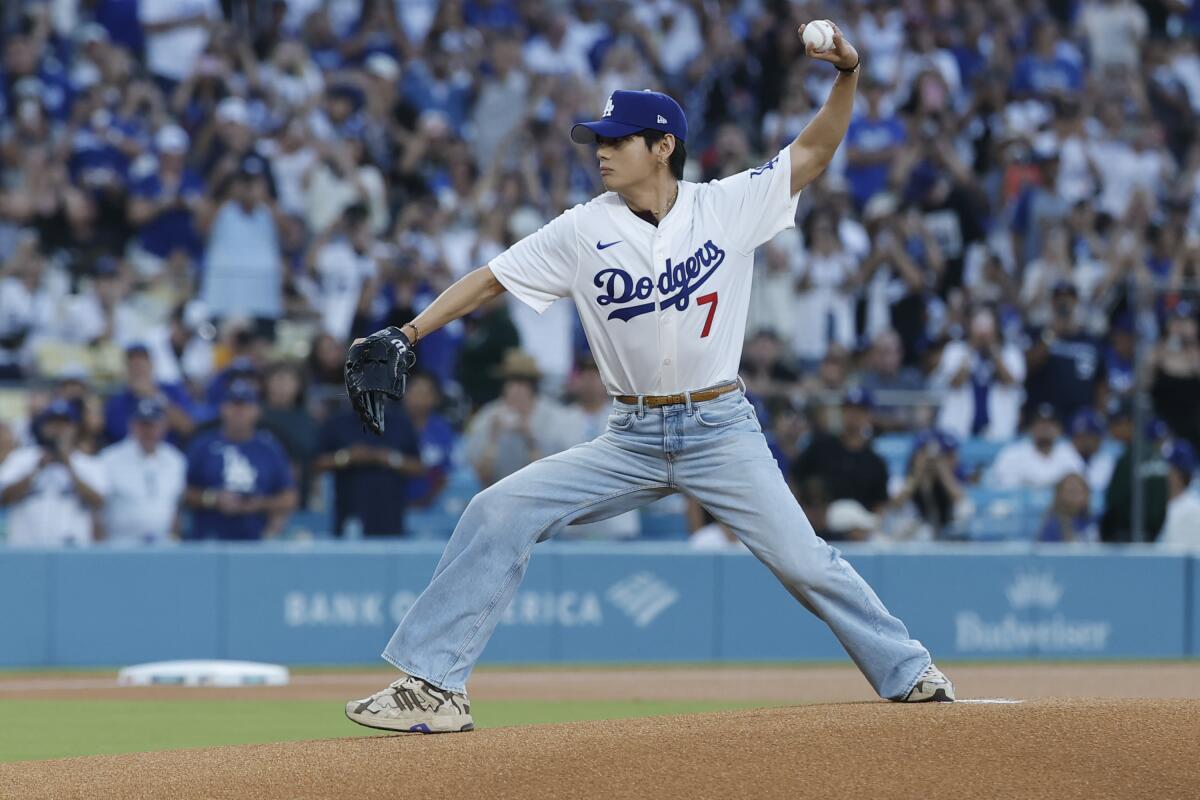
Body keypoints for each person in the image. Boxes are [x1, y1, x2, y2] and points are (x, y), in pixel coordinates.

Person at [345, 28, 953, 739]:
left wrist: (848, 71)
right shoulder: (581, 229)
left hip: (721, 428)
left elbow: (815, 149)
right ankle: (435, 687)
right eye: (599, 138)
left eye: (618, 138)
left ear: (662, 146)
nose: (601, 148)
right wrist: (408, 334)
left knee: (806, 564)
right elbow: (490, 280)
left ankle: (909, 671)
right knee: (497, 510)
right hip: (629, 436)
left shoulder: (727, 206)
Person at [183, 379, 297, 540]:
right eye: (234, 405)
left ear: (256, 411)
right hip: (209, 539)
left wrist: (258, 504)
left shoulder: (269, 447)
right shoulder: (203, 446)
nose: (239, 412)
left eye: (244, 406)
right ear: (223, 408)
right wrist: (212, 499)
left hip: (255, 541)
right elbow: (181, 491)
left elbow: (289, 498)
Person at [462, 349, 584, 487]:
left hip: (542, 499)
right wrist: (493, 439)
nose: (515, 389)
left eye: (522, 383)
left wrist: (530, 439)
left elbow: (556, 478)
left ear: (532, 386)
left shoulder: (555, 417)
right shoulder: (488, 416)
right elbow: (481, 477)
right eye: (511, 382)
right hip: (499, 496)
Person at [0, 399, 108, 547]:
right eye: (53, 423)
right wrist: (37, 468)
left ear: (74, 428)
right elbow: (4, 498)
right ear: (44, 427)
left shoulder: (88, 463)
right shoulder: (21, 458)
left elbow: (98, 502)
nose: (58, 429)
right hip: (26, 549)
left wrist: (68, 466)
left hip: (72, 549)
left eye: (64, 424)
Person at [315, 396, 424, 538]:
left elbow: (419, 467)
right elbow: (317, 463)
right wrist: (347, 457)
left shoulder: (402, 423)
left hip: (390, 515)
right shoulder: (336, 423)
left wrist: (389, 459)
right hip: (348, 513)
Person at [791, 387, 891, 537]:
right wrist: (802, 513)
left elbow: (880, 504)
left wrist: (868, 529)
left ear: (868, 415)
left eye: (859, 411)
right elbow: (794, 478)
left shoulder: (875, 461)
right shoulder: (821, 447)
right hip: (817, 532)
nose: (853, 416)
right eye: (849, 410)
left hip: (859, 534)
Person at [97, 397, 187, 544]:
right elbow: (97, 510)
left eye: (153, 424)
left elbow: (175, 506)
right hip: (120, 545)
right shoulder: (109, 458)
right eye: (143, 424)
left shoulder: (175, 460)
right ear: (132, 425)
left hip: (162, 545)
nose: (148, 431)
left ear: (164, 426)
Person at [933, 307, 1025, 441]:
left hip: (999, 430)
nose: (982, 331)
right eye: (978, 325)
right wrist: (971, 349)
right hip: (958, 428)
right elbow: (955, 382)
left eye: (987, 325)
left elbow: (1010, 381)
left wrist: (994, 351)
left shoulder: (1011, 352)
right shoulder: (955, 350)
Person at [989, 403, 1086, 489]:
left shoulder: (1068, 452)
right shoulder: (1012, 453)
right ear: (1031, 428)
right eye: (1041, 423)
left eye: (1050, 424)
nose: (1045, 427)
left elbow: (1079, 483)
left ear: (1059, 429)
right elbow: (1004, 489)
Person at [1158, 440, 1200, 547]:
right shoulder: (1178, 505)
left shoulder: (1188, 510)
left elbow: (1174, 558)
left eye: (1170, 469)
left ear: (1177, 475)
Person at [1038, 473, 1098, 543]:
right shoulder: (1052, 526)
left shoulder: (1096, 521)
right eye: (1070, 491)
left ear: (1087, 494)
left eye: (1078, 492)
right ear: (1059, 495)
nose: (1074, 497)